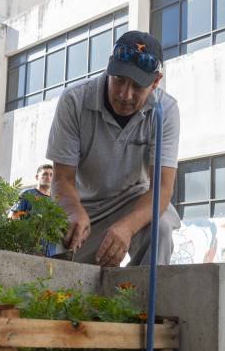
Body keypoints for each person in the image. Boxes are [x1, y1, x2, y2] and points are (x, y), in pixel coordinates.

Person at [46, 31, 181, 267]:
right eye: (118, 79)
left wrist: (127, 227)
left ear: (156, 82)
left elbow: (162, 188)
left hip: (133, 199)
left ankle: (141, 302)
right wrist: (72, 209)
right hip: (83, 206)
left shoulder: (165, 112)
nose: (124, 94)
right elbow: (62, 179)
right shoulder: (74, 101)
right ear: (109, 69)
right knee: (61, 282)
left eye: (137, 86)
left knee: (161, 228)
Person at [9, 164, 56, 256]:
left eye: (51, 175)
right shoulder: (27, 193)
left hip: (49, 251)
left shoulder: (55, 200)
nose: (48, 177)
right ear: (37, 177)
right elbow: (13, 216)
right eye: (45, 174)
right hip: (28, 246)